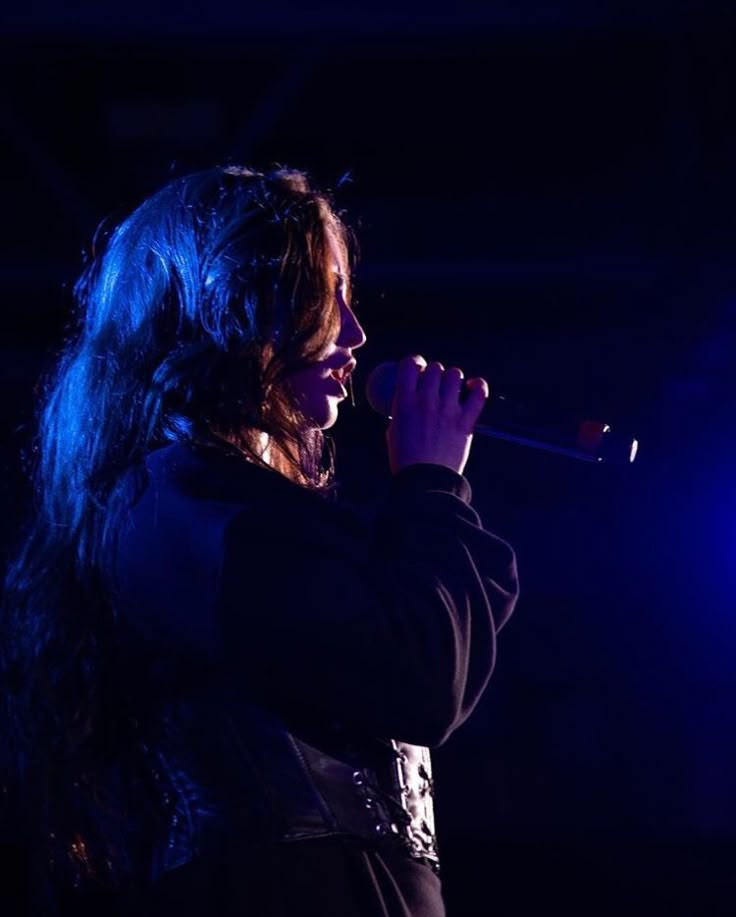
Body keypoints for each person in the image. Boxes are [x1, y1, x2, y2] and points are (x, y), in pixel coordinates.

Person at [1, 165, 519, 916]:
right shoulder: (183, 507)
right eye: (323, 295)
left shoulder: (246, 510)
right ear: (235, 307)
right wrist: (434, 484)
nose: (355, 332)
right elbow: (418, 672)